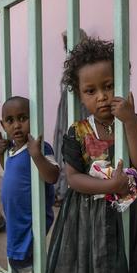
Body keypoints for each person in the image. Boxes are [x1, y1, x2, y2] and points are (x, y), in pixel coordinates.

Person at [41, 38, 137, 273]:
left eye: (109, 86)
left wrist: (128, 119)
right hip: (87, 217)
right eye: (91, 91)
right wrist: (109, 185)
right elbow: (74, 178)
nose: (102, 97)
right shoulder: (77, 132)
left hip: (127, 215)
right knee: (92, 269)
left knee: (125, 266)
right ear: (80, 95)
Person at [0, 96, 60, 273]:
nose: (17, 125)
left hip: (33, 217)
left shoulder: (40, 147)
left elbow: (52, 176)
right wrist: (0, 153)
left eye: (23, 118)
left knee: (27, 255)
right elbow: (10, 171)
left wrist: (36, 155)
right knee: (19, 252)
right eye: (10, 121)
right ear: (3, 124)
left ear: (34, 118)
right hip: (16, 216)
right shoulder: (11, 149)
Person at [53, 29, 89, 203]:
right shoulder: (70, 64)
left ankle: (71, 189)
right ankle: (61, 189)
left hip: (80, 112)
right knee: (63, 144)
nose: (68, 49)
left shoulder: (85, 66)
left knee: (79, 144)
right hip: (66, 111)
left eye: (71, 44)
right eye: (66, 45)